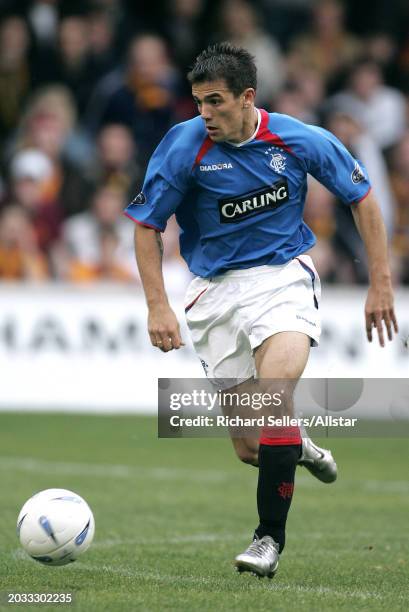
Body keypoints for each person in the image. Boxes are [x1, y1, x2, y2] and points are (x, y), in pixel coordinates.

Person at [124, 43, 398, 579]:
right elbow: (146, 226)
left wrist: (380, 284)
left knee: (275, 396)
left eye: (216, 102)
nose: (205, 114)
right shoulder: (183, 146)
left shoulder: (299, 139)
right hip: (214, 293)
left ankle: (267, 540)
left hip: (282, 278)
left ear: (248, 98)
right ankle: (298, 443)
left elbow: (363, 198)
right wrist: (157, 305)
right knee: (253, 447)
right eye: (199, 101)